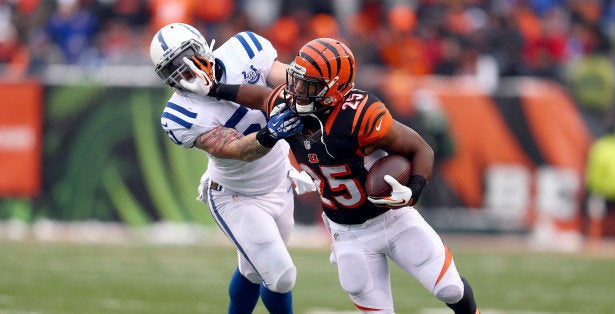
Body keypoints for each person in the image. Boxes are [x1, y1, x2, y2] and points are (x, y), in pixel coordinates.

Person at [184, 37, 480, 313]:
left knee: (450, 289)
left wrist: (414, 190)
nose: (296, 90)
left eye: (308, 85)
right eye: (296, 80)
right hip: (348, 232)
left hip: (393, 219)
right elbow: (260, 96)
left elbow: (421, 148)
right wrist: (214, 90)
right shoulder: (287, 104)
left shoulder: (361, 115)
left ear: (335, 88)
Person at [149, 22, 315, 314]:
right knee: (280, 275)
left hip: (278, 180)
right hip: (236, 195)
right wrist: (270, 133)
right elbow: (237, 150)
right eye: (172, 67)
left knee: (253, 270)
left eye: (185, 57)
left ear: (202, 45)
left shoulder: (245, 49)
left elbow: (290, 84)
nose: (183, 70)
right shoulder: (179, 114)